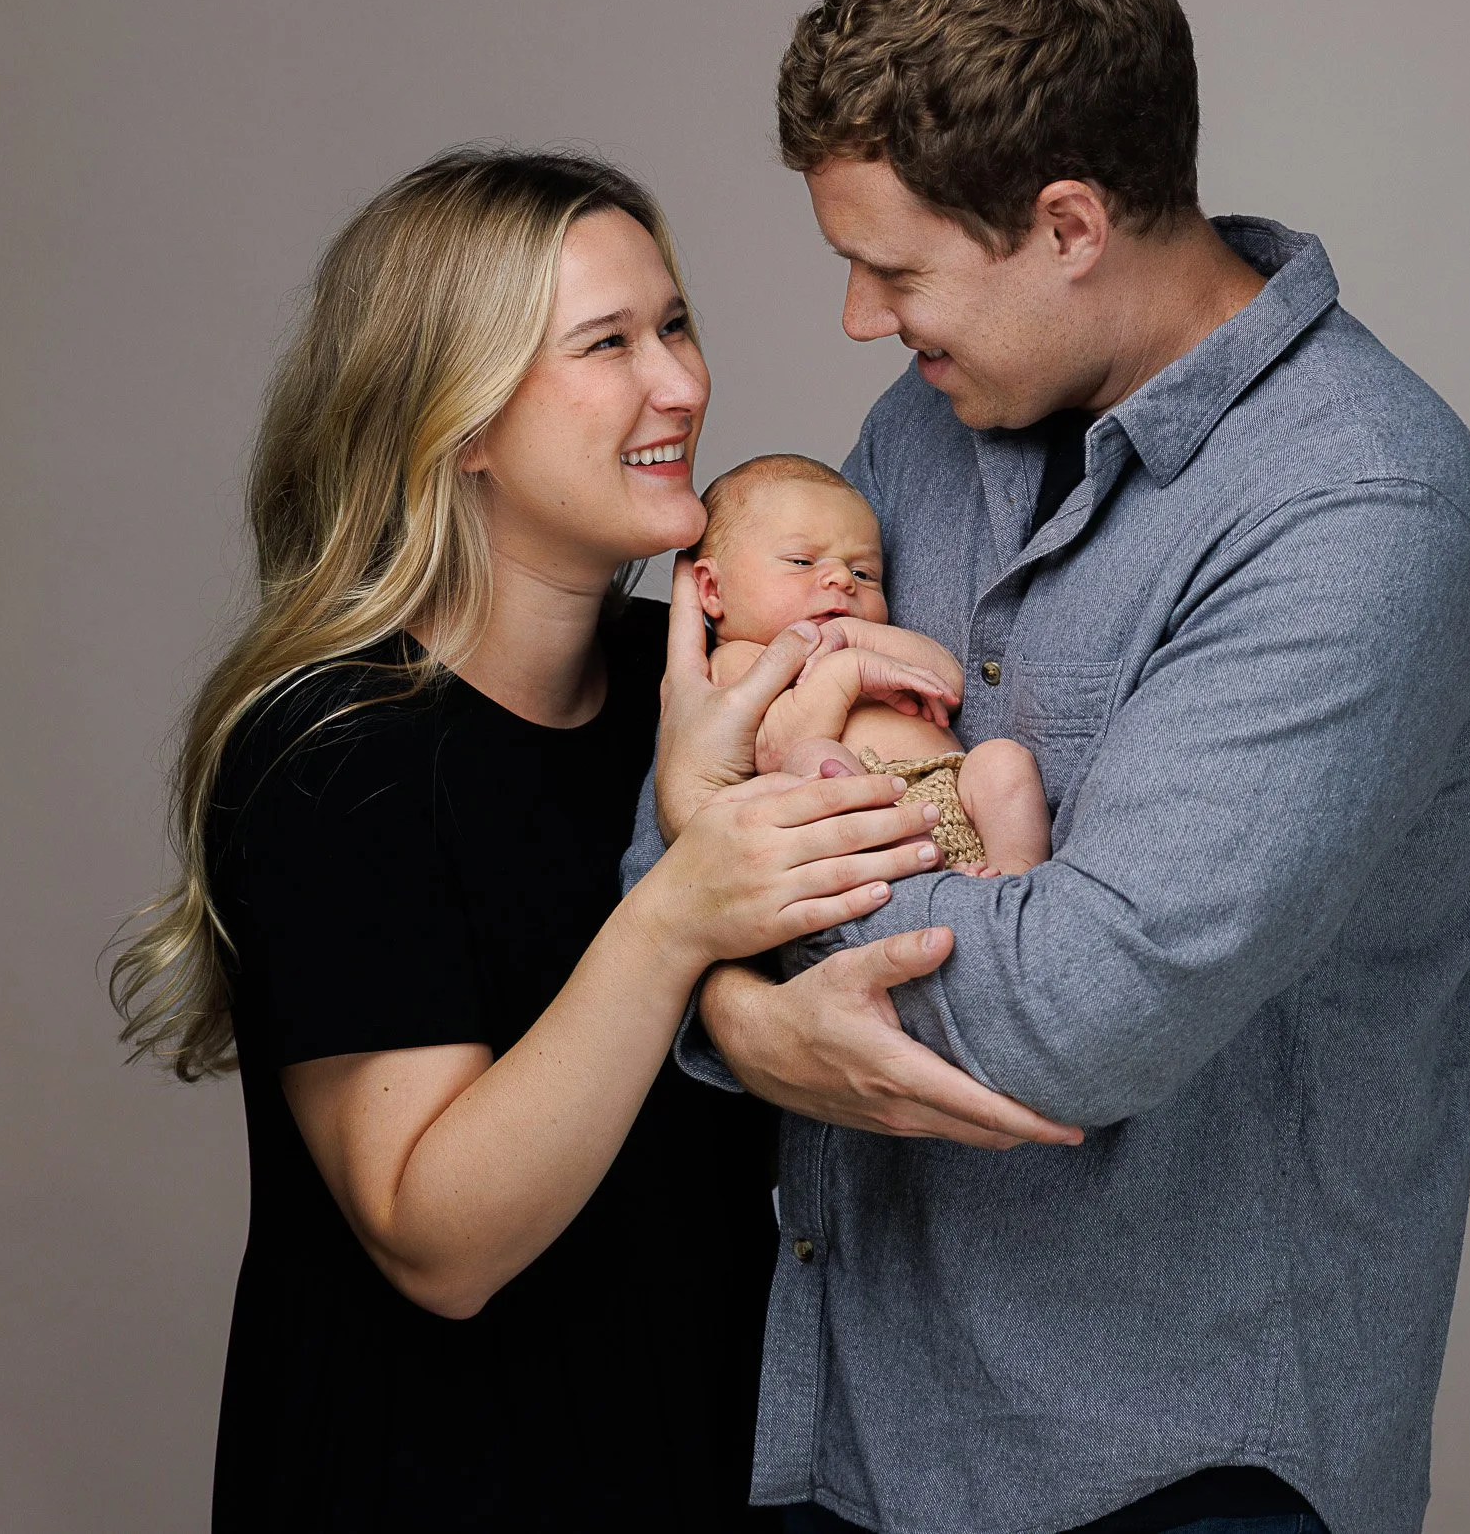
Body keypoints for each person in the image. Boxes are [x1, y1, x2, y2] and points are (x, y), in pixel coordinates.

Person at [631, 0, 1470, 1534]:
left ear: (1065, 225)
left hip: (1170, 1473)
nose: (855, 320)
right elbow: (684, 769)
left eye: (889, 266)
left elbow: (1081, 1012)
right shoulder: (931, 418)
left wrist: (720, 938)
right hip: (852, 1425)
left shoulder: (1365, 514)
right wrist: (736, 1016)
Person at [108, 148, 949, 1530]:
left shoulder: (691, 690)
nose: (681, 383)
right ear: (463, 418)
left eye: (673, 325)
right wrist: (681, 907)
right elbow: (437, 1237)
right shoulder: (332, 752)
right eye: (607, 344)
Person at [693, 453, 1052, 875]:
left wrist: (855, 638)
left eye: (863, 574)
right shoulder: (738, 659)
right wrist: (849, 671)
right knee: (814, 759)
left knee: (1002, 759)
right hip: (863, 815)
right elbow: (777, 749)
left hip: (955, 790)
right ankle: (911, 865)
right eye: (802, 562)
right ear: (714, 588)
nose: (842, 579)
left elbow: (950, 683)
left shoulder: (865, 636)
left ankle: (1013, 875)